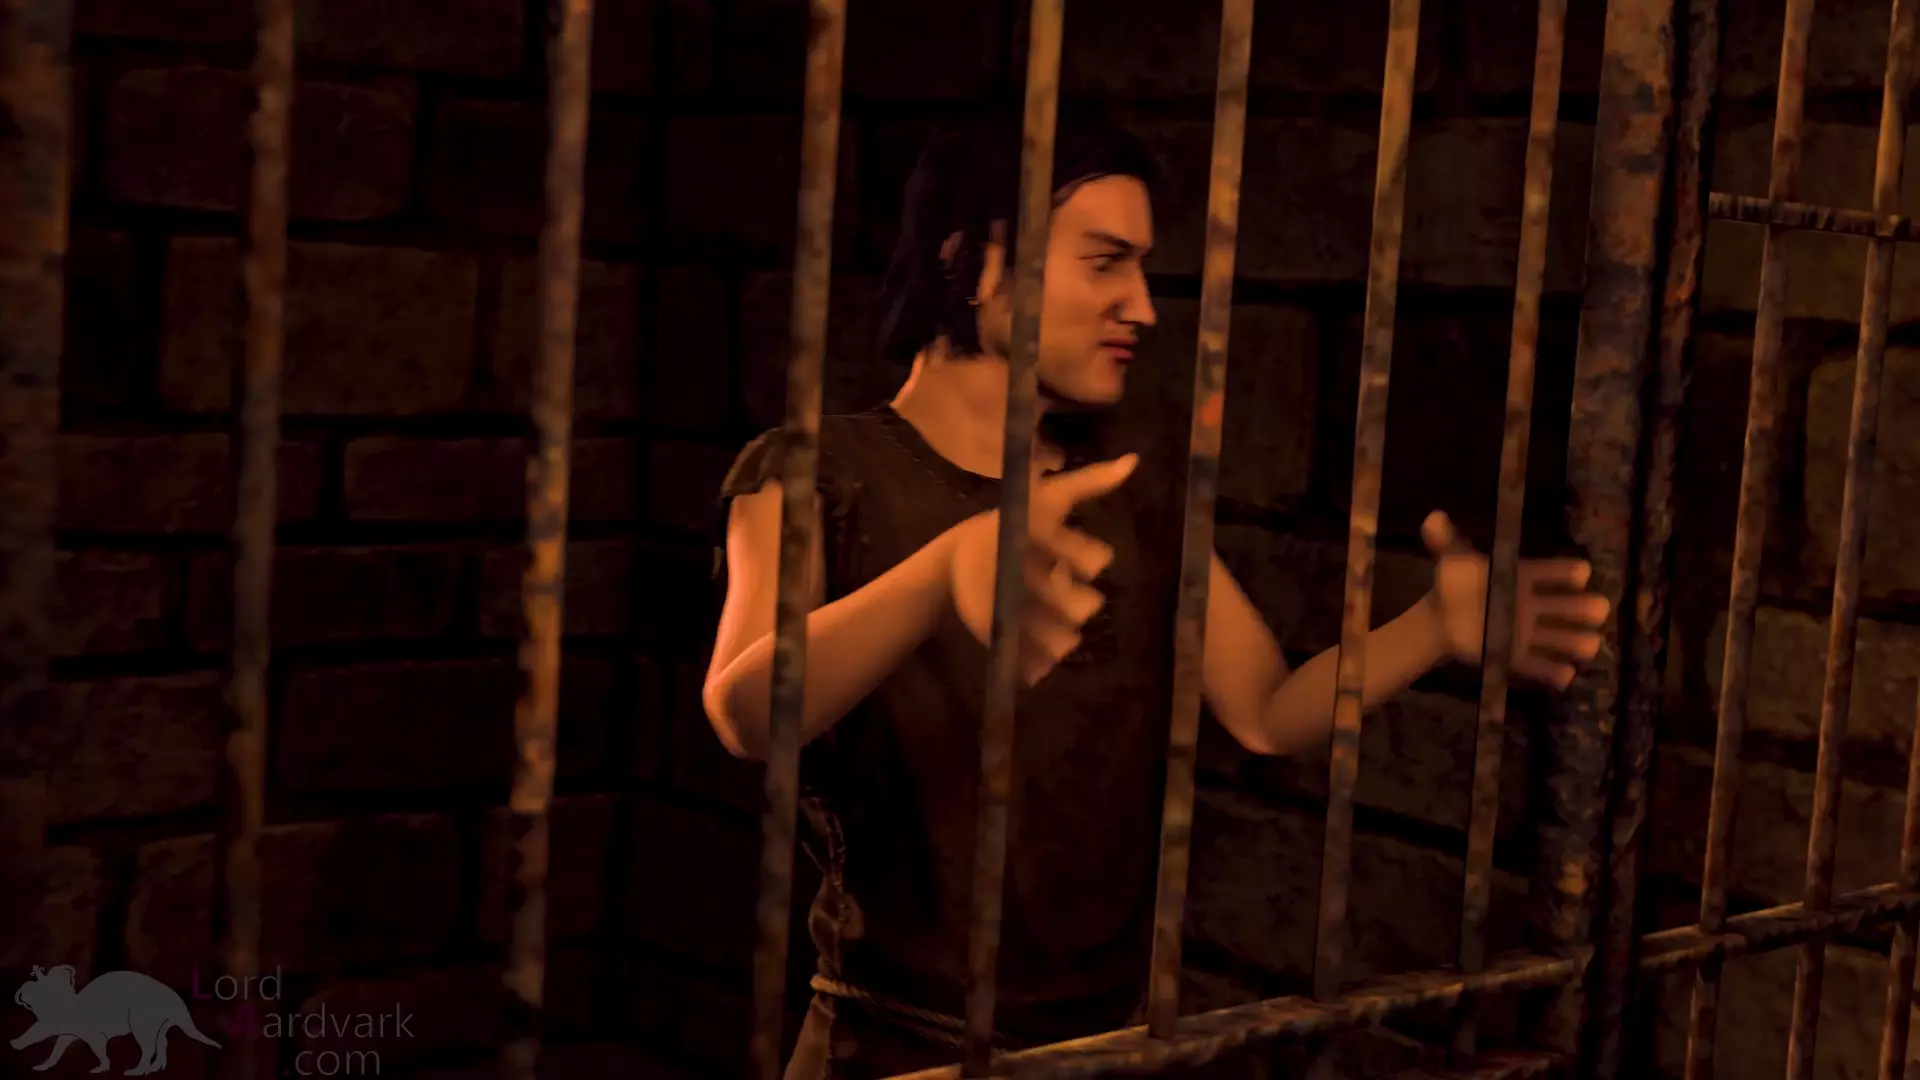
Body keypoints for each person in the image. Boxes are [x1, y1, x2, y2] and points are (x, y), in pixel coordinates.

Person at [702, 111, 1611, 1079]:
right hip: (890, 1048)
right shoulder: (814, 475)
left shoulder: (1127, 495)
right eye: (1105, 263)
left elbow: (1266, 709)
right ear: (973, 264)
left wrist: (1433, 626)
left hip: (1105, 1051)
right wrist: (940, 576)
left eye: (1141, 269)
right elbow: (746, 710)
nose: (1142, 307)